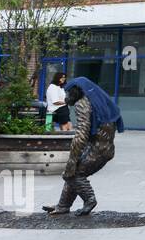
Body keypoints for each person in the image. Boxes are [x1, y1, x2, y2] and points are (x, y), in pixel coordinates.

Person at [43, 76, 122, 216]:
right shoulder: (98, 102)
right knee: (73, 174)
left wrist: (72, 160)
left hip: (98, 150)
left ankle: (89, 199)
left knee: (72, 174)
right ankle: (62, 206)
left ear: (76, 91)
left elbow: (81, 135)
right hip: (103, 148)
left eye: (68, 92)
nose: (66, 96)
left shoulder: (82, 103)